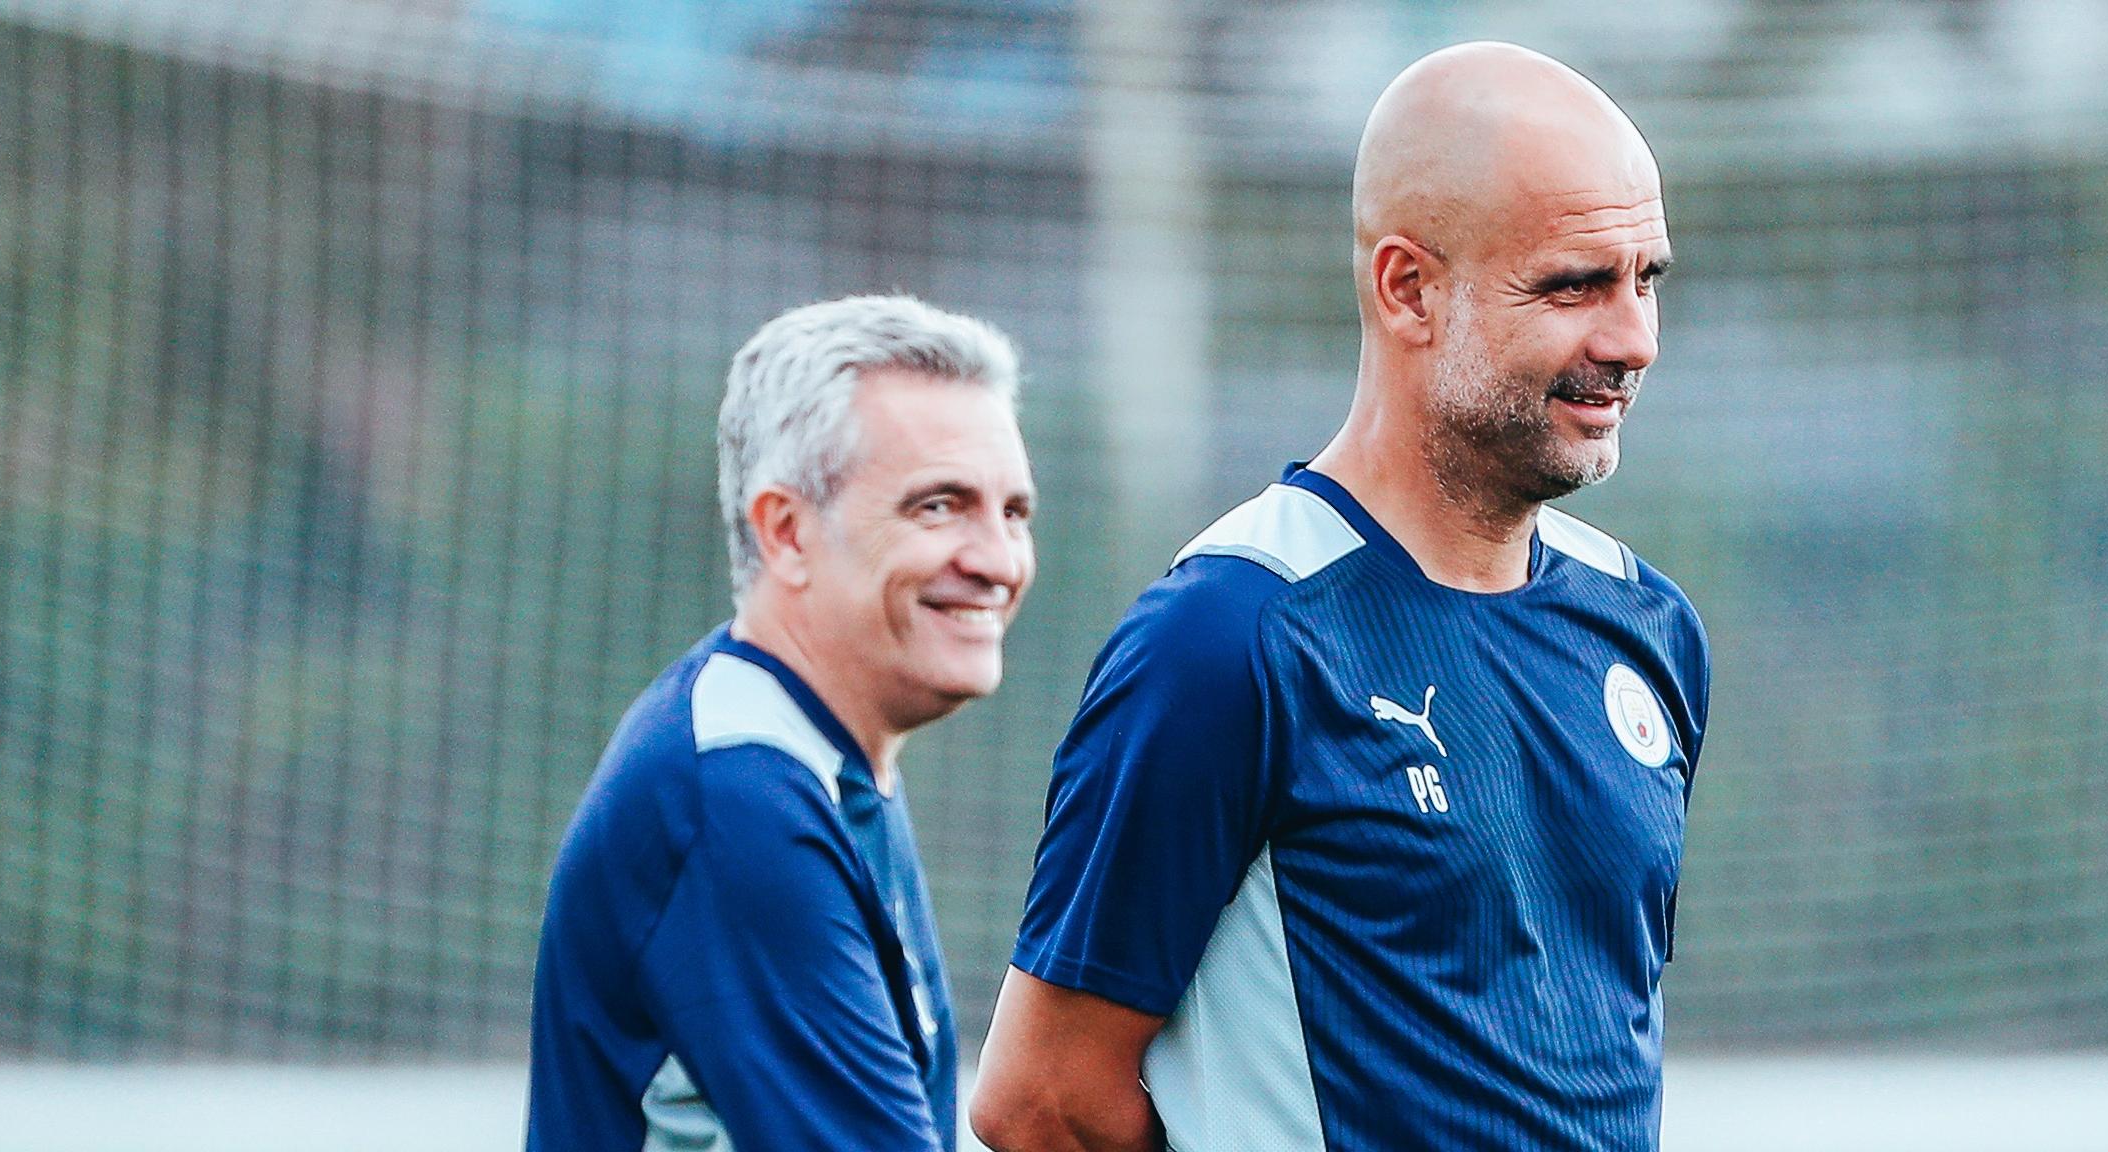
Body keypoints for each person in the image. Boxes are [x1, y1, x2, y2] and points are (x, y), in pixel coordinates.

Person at [970, 42, 1709, 1152]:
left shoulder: (1647, 627)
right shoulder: (1228, 638)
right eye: (1572, 284)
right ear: (1407, 289)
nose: (1631, 339)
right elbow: (1039, 1104)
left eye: (1643, 278)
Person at [528, 295, 1035, 1151]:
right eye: (939, 507)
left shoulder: (816, 756)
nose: (996, 560)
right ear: (788, 532)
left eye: (1013, 512)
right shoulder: (736, 803)